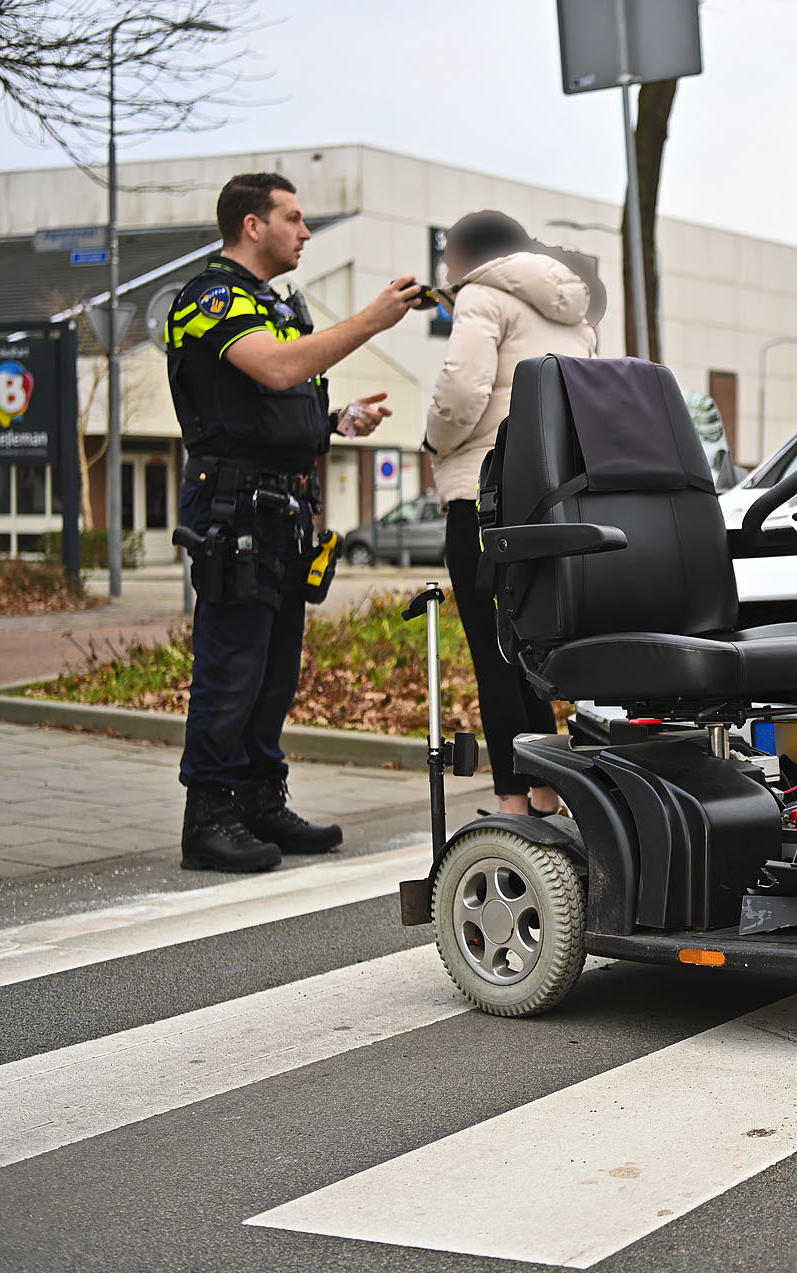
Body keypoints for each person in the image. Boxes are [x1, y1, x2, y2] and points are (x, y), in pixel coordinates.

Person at [167, 171, 423, 872]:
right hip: (233, 508)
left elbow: (270, 406)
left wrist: (334, 421)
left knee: (275, 667)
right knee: (232, 664)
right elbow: (277, 371)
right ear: (253, 225)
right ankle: (208, 815)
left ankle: (258, 798)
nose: (306, 233)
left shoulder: (270, 304)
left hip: (280, 508)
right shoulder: (211, 298)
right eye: (294, 218)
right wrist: (370, 321)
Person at [424, 211, 595, 815]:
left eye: (448, 257)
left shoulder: (481, 295)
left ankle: (511, 801)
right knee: (530, 651)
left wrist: (435, 443)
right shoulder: (575, 316)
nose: (446, 270)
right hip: (548, 499)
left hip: (483, 493)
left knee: (493, 655)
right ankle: (546, 793)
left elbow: (460, 393)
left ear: (470, 254)